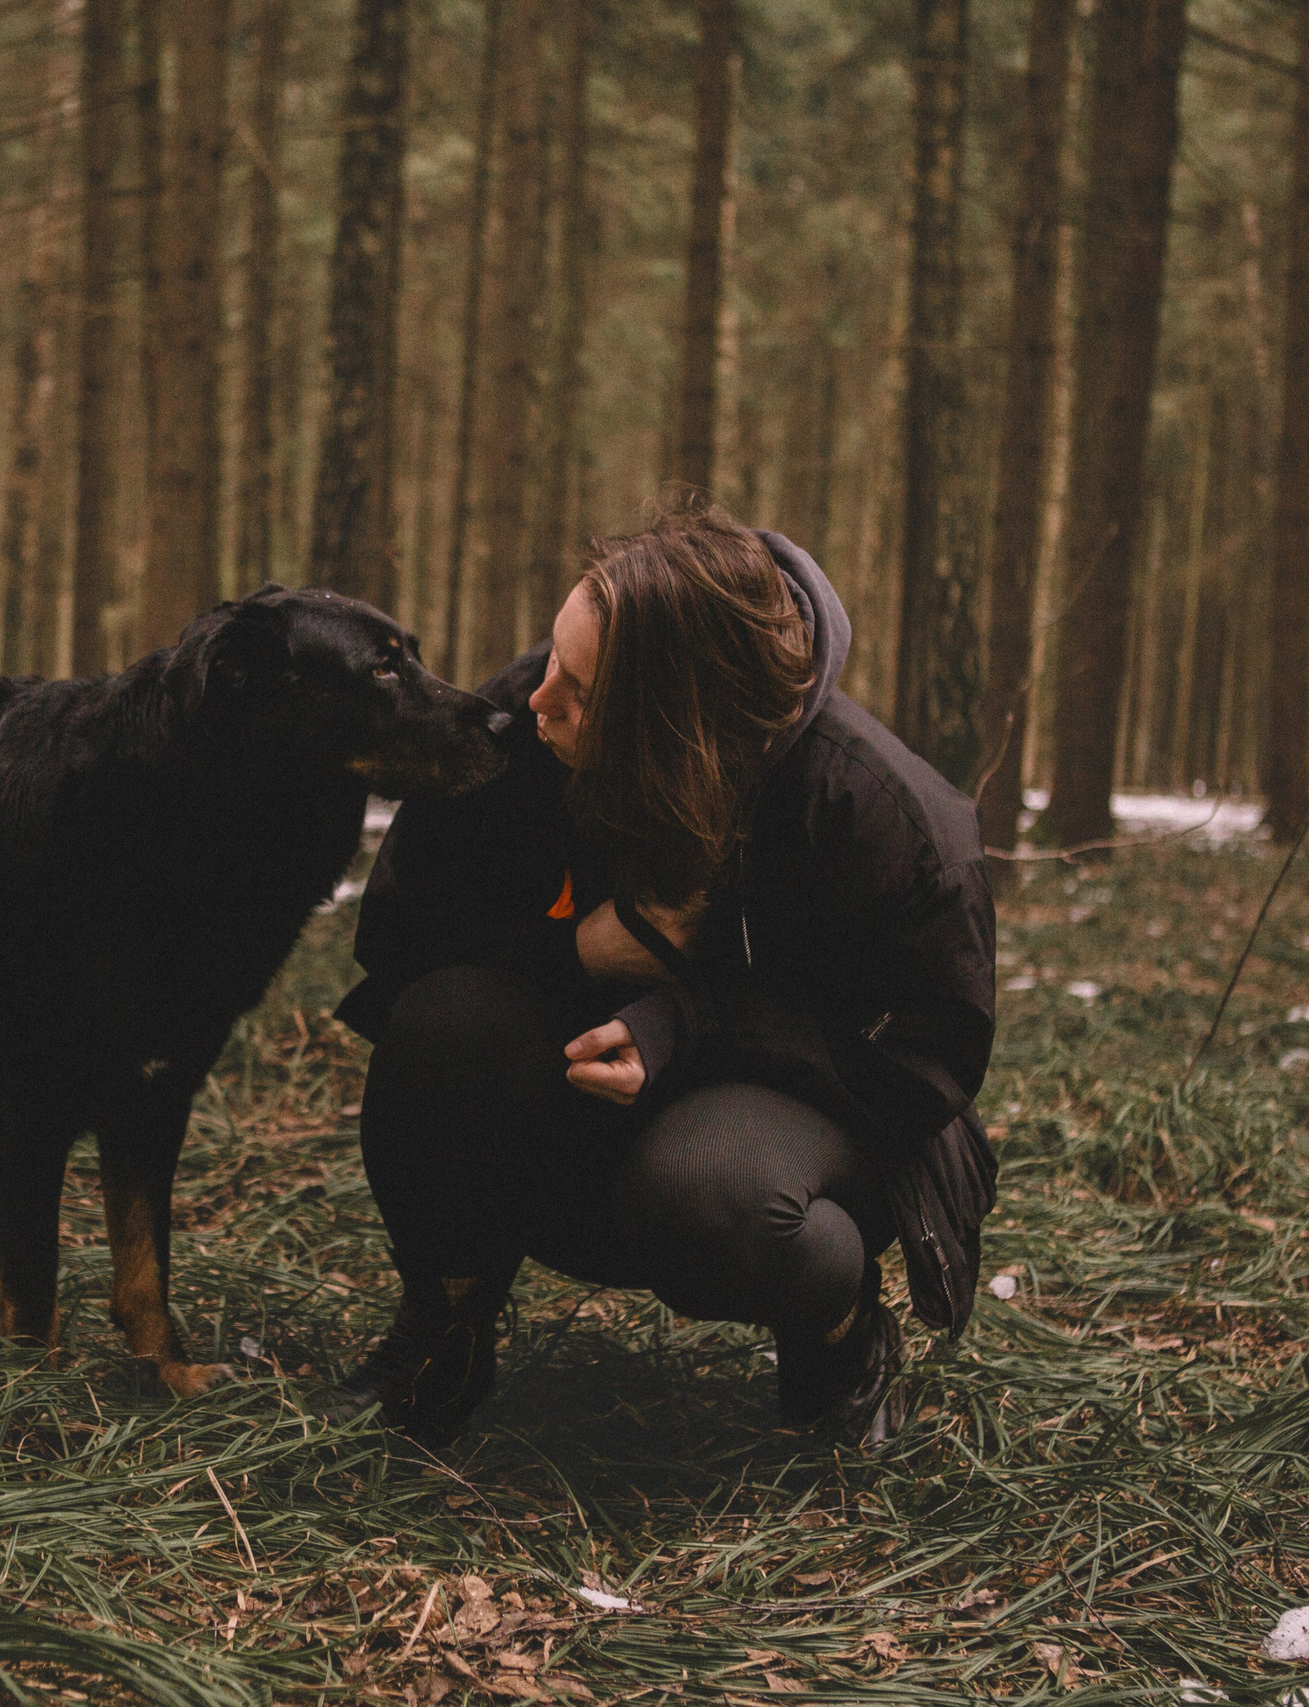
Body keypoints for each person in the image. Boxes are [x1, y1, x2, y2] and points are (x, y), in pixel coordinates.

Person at [326, 502, 998, 1449]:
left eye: (580, 691)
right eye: (549, 657)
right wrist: (575, 953)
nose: (535, 701)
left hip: (790, 1122)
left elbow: (924, 1063)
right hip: (585, 1082)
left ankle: (841, 1337)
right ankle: (446, 1326)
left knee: (707, 1186)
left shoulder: (881, 814)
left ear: (681, 728)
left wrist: (689, 1017)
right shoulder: (532, 714)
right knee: (442, 1023)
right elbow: (404, 931)